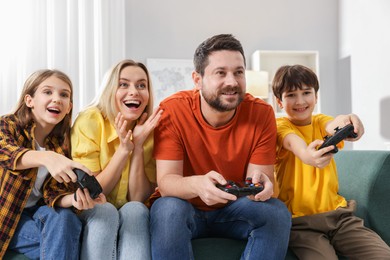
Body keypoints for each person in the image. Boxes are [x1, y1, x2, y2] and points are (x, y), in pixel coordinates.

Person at [149, 34, 292, 260]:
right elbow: (166, 183)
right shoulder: (173, 110)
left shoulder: (261, 113)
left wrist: (263, 185)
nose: (232, 82)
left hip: (235, 207)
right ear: (197, 80)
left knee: (276, 213)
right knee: (167, 209)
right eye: (220, 73)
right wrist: (197, 185)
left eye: (239, 72)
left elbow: (259, 180)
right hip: (186, 207)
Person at [272, 64, 390, 259]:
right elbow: (293, 143)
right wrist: (307, 155)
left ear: (316, 97)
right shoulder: (279, 126)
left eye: (306, 92)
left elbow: (334, 123)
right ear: (279, 102)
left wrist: (349, 121)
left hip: (340, 216)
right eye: (291, 95)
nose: (300, 101)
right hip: (301, 223)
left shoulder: (320, 121)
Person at [0, 69, 105, 260]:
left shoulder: (60, 145)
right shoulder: (7, 125)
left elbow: (53, 194)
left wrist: (74, 199)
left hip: (35, 213)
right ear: (29, 100)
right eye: (47, 92)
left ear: (69, 107)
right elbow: (5, 153)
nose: (57, 99)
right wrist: (47, 158)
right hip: (7, 215)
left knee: (65, 218)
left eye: (64, 95)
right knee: (71, 240)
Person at [71, 59, 163, 260]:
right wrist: (123, 150)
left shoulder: (151, 130)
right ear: (110, 90)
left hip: (130, 208)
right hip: (93, 206)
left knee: (136, 210)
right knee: (105, 211)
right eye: (123, 84)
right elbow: (94, 192)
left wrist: (137, 147)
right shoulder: (90, 120)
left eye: (141, 85)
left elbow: (138, 197)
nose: (134, 91)